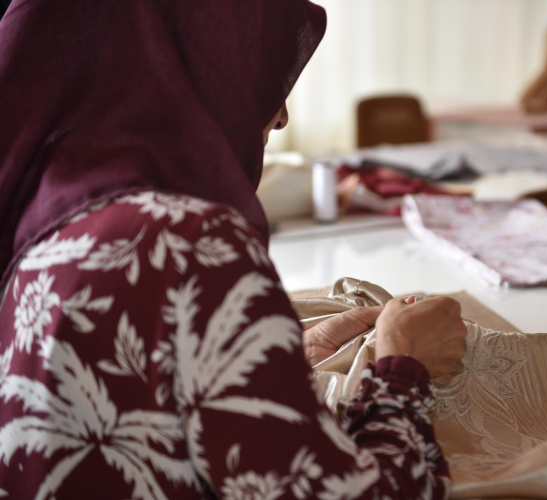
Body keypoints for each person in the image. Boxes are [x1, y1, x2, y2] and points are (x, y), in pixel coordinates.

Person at [0, 1, 467, 499]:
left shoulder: (40, 225)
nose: (280, 115)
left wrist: (266, 365)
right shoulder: (188, 244)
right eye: (252, 63)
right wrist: (402, 364)